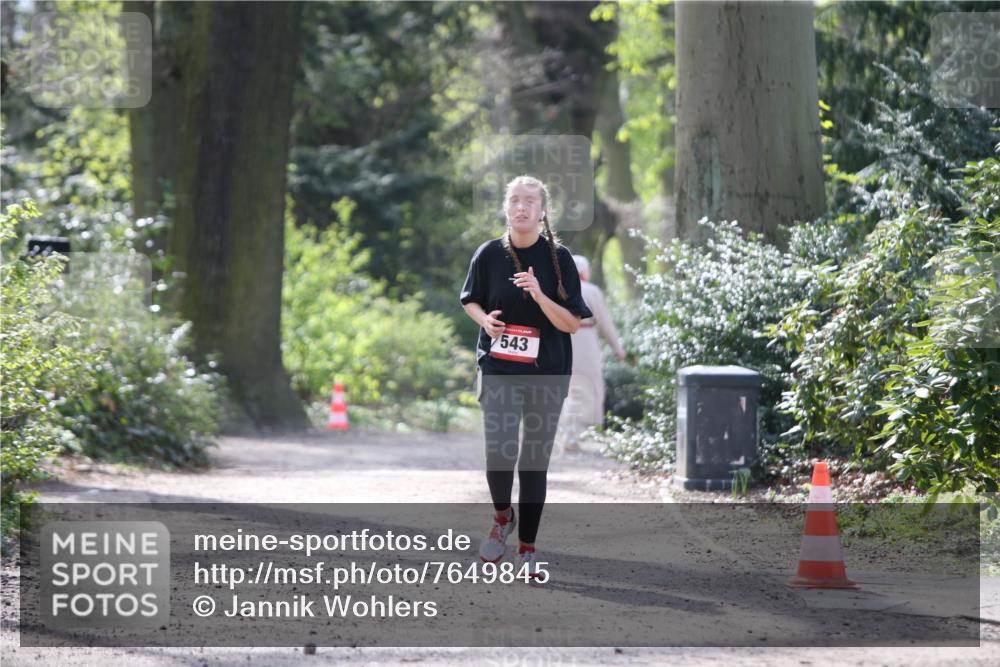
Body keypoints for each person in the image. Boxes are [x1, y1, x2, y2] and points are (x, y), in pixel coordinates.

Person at [460, 175, 592, 577]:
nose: (521, 207)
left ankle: (528, 549)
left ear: (542, 211)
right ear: (506, 207)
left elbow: (571, 324)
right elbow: (470, 300)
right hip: (499, 368)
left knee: (534, 461)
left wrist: (538, 293)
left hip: (546, 373)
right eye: (514, 200)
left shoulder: (560, 259)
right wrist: (487, 322)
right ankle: (503, 517)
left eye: (529, 202)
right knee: (499, 452)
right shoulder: (488, 254)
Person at [557, 255, 626, 452]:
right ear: (585, 271)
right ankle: (575, 435)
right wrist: (618, 349)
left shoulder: (557, 290)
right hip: (585, 341)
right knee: (587, 386)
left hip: (562, 340)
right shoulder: (592, 291)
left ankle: (567, 433)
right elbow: (605, 323)